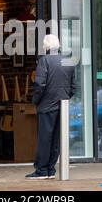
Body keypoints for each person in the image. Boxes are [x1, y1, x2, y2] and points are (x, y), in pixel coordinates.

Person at [26, 34, 76, 180]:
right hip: (62, 106)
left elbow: (39, 85)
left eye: (43, 44)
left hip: (47, 106)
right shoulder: (68, 61)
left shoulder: (44, 61)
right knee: (56, 140)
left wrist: (35, 101)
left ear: (47, 46)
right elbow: (73, 87)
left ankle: (41, 170)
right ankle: (50, 169)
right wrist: (64, 99)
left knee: (44, 139)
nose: (43, 47)